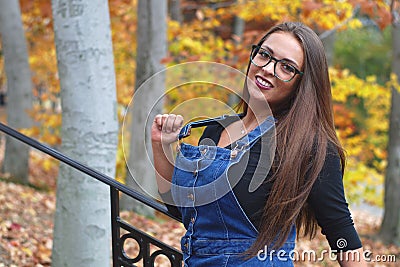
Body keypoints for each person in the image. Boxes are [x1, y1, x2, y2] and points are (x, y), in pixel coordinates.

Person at [151, 22, 367, 266]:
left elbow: (343, 234)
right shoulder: (215, 129)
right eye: (264, 55)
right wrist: (162, 146)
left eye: (286, 67)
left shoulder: (307, 146)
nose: (267, 69)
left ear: (302, 83)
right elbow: (181, 208)